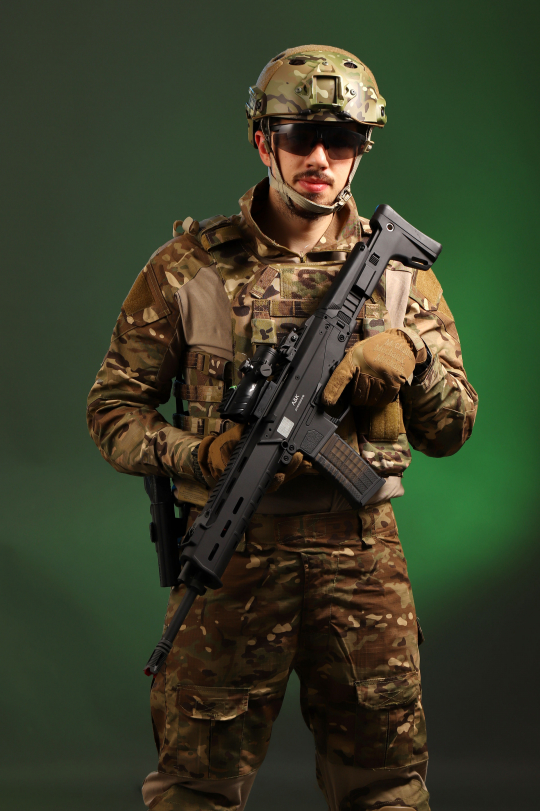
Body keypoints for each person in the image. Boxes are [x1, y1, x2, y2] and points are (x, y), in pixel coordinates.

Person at [87, 45, 478, 811]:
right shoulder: (187, 269)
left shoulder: (401, 277)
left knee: (387, 787)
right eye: (301, 135)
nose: (321, 159)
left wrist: (415, 356)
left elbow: (453, 429)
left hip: (361, 558)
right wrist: (202, 452)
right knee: (195, 786)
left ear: (364, 147)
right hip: (232, 557)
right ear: (263, 139)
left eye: (344, 139)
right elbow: (112, 413)